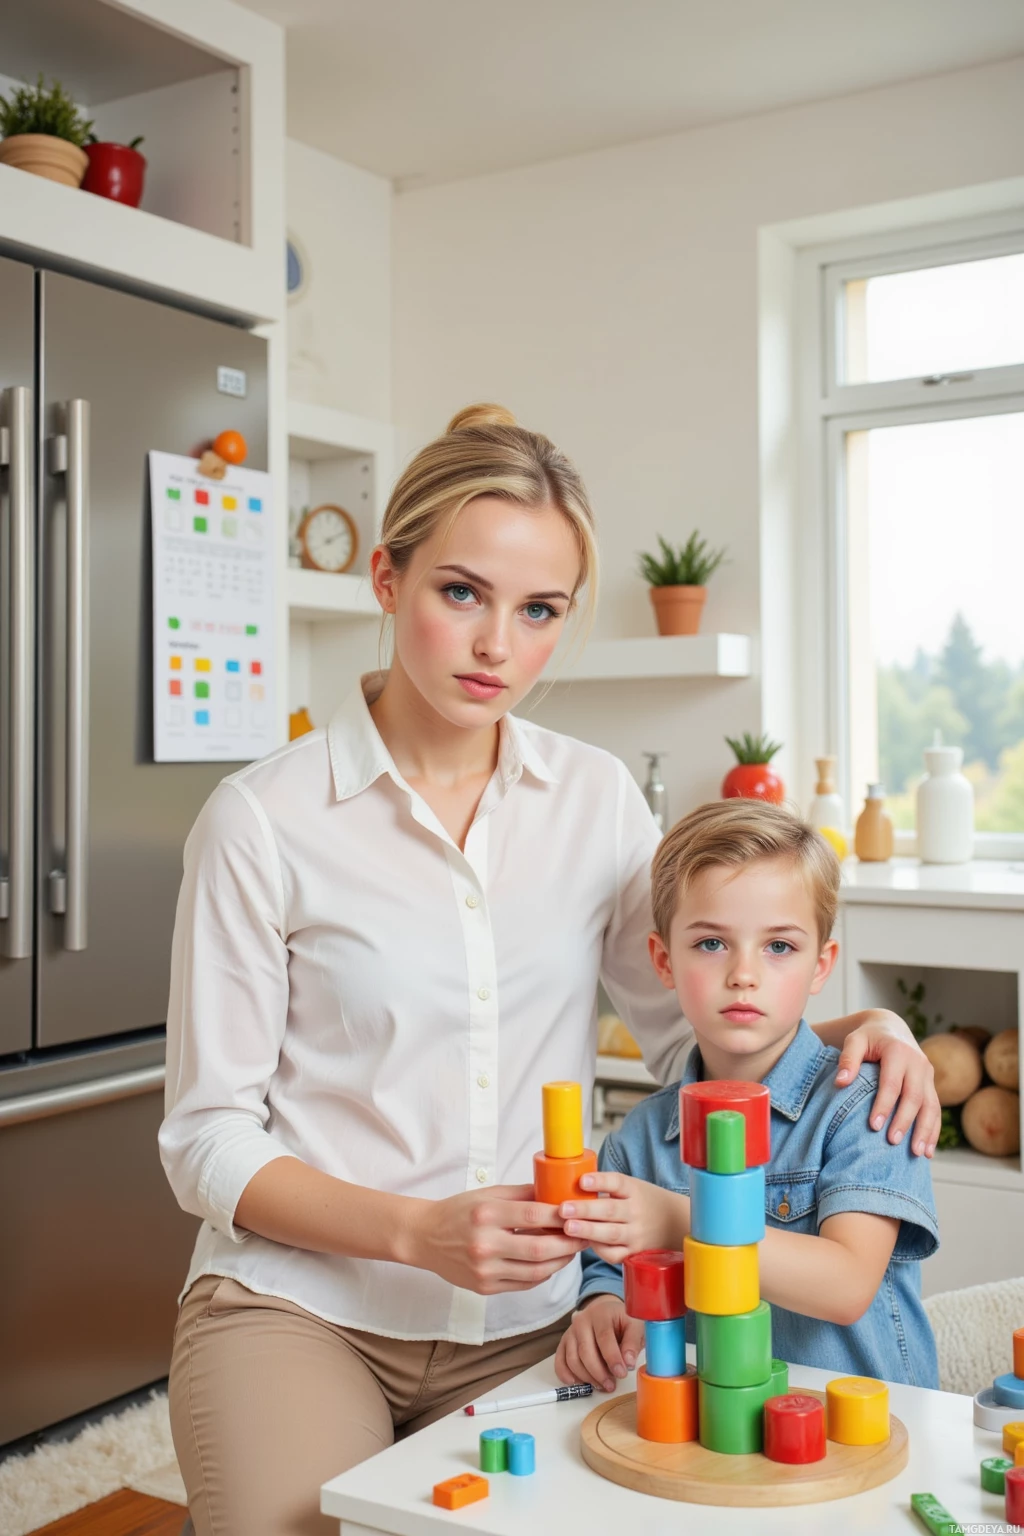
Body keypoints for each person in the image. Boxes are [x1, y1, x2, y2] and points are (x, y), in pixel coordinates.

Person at [160, 404, 940, 1536]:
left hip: (548, 1316)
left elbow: (695, 1037)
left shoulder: (594, 799)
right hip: (304, 1303)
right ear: (387, 579)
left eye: (539, 612)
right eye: (461, 593)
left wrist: (867, 1026)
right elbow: (207, 1140)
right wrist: (411, 1233)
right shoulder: (259, 819)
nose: (496, 648)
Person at [555, 799, 940, 1396]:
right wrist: (602, 1310)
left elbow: (845, 1286)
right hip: (710, 1441)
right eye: (711, 944)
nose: (743, 973)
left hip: (861, 1437)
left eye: (779, 947)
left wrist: (673, 1218)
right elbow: (609, 1269)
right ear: (664, 960)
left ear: (821, 966)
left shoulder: (865, 1105)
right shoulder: (636, 1143)